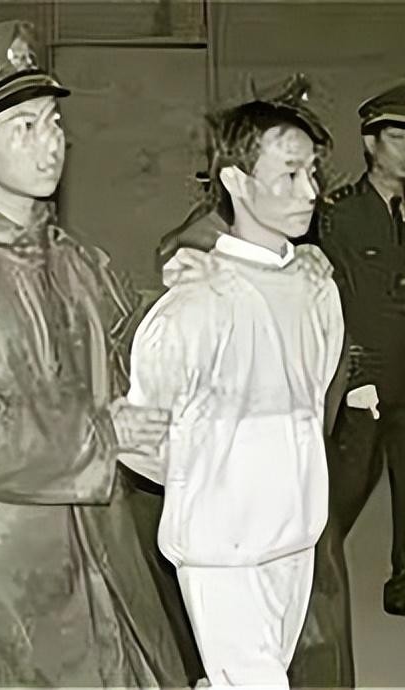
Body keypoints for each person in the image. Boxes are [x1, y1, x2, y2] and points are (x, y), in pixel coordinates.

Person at [0, 20, 187, 686]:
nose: (51, 143)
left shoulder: (76, 260)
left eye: (53, 122)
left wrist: (199, 292)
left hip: (91, 539)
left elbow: (134, 366)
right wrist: (100, 433)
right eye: (23, 126)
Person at [124, 78, 346, 687]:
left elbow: (315, 397)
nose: (311, 191)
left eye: (312, 173)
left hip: (295, 531)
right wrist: (214, 482)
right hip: (222, 548)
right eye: (290, 174)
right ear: (236, 181)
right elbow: (141, 436)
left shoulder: (317, 289)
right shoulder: (196, 303)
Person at [304, 76, 405, 635]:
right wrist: (352, 376)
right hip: (363, 377)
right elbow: (325, 301)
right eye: (398, 138)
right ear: (370, 143)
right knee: (345, 487)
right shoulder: (337, 216)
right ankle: (304, 580)